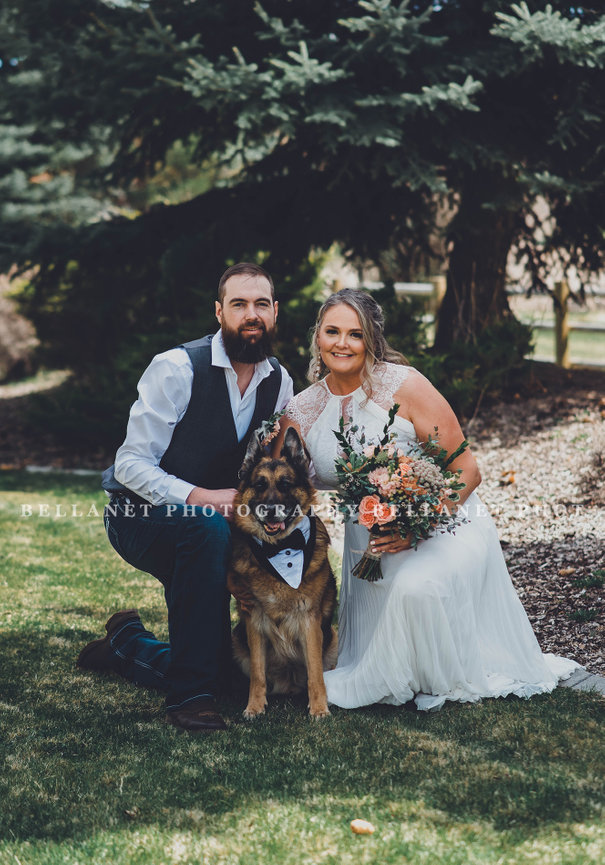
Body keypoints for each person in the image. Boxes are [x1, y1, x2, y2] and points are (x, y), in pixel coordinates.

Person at [277, 288, 579, 711]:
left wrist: (416, 522)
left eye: (355, 334)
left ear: (371, 341)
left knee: (417, 589)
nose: (342, 343)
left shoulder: (407, 386)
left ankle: (435, 672)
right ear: (317, 338)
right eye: (332, 332)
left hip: (447, 527)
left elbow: (468, 470)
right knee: (399, 593)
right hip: (369, 547)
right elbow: (283, 486)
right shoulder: (302, 410)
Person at [77, 263, 293, 731]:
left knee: (226, 674)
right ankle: (190, 697)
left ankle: (129, 646)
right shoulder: (177, 368)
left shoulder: (279, 381)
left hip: (213, 527)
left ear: (275, 312)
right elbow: (131, 464)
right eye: (238, 304)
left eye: (261, 304)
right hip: (139, 515)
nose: (250, 314)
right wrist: (202, 496)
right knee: (205, 524)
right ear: (220, 312)